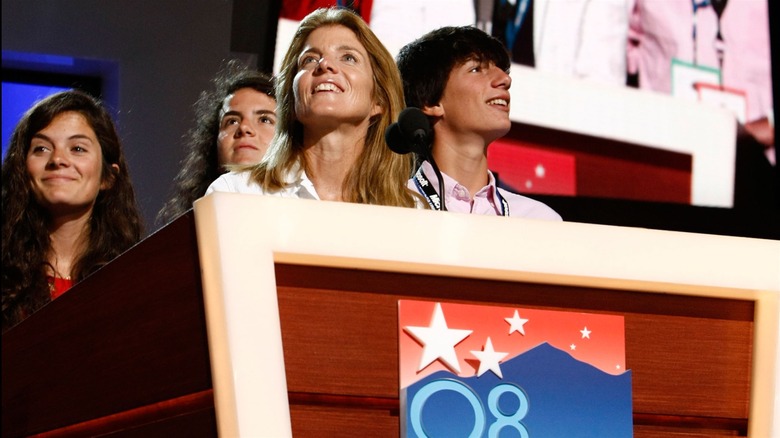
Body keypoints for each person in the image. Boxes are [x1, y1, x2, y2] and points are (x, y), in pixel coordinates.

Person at [207, 7, 419, 208]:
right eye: (309, 59)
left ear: (378, 100)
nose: (324, 64)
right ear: (292, 97)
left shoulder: (410, 209)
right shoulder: (236, 193)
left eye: (348, 57)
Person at [2, 90, 144, 331]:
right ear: (23, 172)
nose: (58, 159)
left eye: (77, 148)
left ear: (107, 178)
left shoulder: (135, 279)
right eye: (41, 149)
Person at [396, 25, 561, 219]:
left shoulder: (540, 220)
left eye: (502, 70)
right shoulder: (390, 208)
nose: (505, 79)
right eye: (476, 69)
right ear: (431, 102)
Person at [156, 60, 277, 225]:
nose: (244, 128)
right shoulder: (188, 229)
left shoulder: (310, 215)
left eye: (264, 119)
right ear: (213, 142)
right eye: (232, 121)